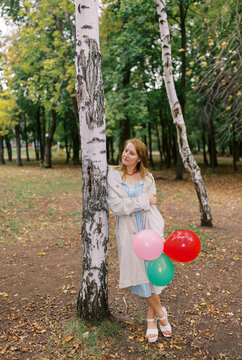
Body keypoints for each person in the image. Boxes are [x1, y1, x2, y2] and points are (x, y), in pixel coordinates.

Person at [107, 138, 171, 343]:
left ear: (140, 158)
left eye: (131, 153)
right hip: (129, 234)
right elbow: (117, 207)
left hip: (149, 233)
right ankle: (161, 314)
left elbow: (152, 208)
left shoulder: (148, 178)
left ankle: (151, 319)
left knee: (151, 276)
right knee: (138, 279)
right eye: (125, 150)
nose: (126, 155)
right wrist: (142, 201)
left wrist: (139, 204)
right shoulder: (114, 176)